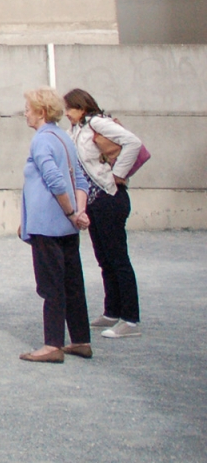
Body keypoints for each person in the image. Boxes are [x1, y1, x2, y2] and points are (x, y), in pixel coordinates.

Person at [18, 88, 93, 363]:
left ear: (40, 111)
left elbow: (54, 181)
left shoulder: (40, 141)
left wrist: (72, 211)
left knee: (51, 285)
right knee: (73, 282)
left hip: (48, 225)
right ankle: (81, 339)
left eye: (27, 108)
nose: (24, 112)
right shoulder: (64, 138)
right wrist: (78, 213)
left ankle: (52, 344)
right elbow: (79, 180)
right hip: (66, 224)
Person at [64, 88, 144, 339]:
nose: (67, 113)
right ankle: (112, 310)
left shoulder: (98, 123)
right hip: (94, 201)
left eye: (70, 108)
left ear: (82, 107)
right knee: (104, 258)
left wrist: (118, 173)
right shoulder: (76, 130)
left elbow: (133, 142)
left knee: (118, 258)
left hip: (110, 197)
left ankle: (130, 319)